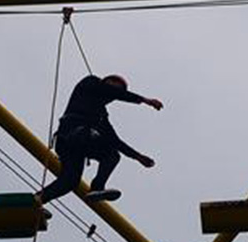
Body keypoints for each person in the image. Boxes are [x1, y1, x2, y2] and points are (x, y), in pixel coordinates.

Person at [38, 74, 163, 205]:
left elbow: (114, 140)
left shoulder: (101, 115)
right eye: (115, 89)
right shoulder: (90, 83)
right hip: (74, 134)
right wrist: (144, 100)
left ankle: (38, 199)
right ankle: (97, 187)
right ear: (106, 82)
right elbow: (110, 91)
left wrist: (137, 156)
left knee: (70, 181)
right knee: (110, 153)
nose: (112, 96)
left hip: (72, 145)